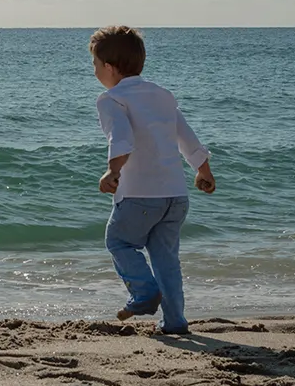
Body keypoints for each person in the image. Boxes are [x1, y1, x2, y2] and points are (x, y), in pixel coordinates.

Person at [90, 25, 216, 335]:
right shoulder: (162, 95)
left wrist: (113, 170)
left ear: (108, 67)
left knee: (118, 241)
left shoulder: (111, 99)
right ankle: (175, 322)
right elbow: (186, 136)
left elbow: (121, 138)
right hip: (175, 196)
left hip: (139, 194)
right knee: (166, 260)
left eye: (94, 65)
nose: (94, 72)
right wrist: (203, 170)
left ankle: (144, 292)